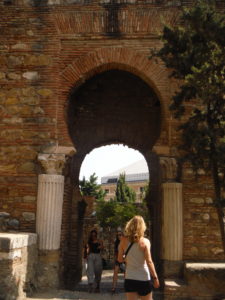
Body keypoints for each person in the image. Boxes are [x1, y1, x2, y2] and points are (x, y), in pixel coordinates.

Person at [118, 216, 160, 300]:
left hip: (130, 277)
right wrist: (155, 278)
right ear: (142, 227)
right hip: (143, 277)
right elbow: (149, 262)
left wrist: (126, 258)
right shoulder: (145, 242)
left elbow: (119, 260)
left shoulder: (123, 241)